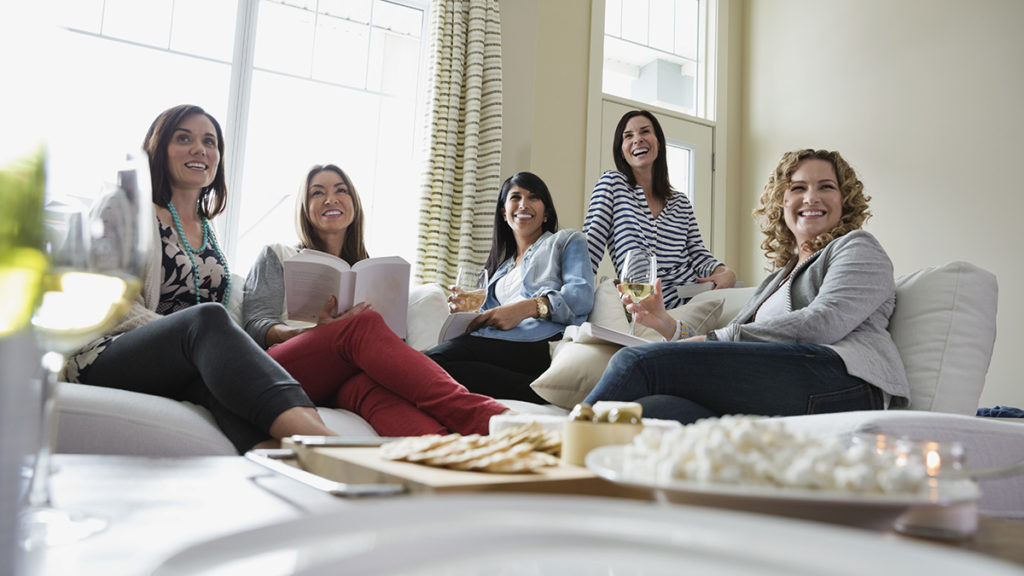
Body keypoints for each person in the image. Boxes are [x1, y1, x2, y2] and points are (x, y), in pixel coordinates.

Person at [64, 104, 336, 453]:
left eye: (210, 142)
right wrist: (181, 338)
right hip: (105, 354)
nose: (200, 149)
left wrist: (195, 347)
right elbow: (106, 299)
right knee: (207, 321)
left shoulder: (206, 229)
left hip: (180, 359)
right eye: (184, 138)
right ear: (159, 148)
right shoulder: (125, 205)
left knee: (224, 384)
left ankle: (283, 457)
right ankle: (330, 445)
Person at [584, 149, 909, 423]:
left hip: (844, 382)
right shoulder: (777, 278)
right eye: (797, 188)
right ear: (782, 203)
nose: (811, 197)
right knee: (651, 412)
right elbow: (729, 339)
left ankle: (554, 447)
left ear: (845, 200)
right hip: (781, 382)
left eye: (825, 187)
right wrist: (666, 325)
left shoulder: (857, 247)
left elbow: (823, 323)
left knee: (635, 362)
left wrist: (716, 339)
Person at [243, 164, 508, 436]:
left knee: (376, 392)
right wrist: (311, 332)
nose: (330, 199)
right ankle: (493, 418)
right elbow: (254, 324)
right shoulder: (277, 253)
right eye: (317, 193)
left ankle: (450, 457)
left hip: (343, 377)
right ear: (304, 207)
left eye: (340, 190)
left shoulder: (370, 272)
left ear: (353, 204)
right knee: (363, 323)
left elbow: (391, 345)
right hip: (286, 369)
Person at [425, 172, 595, 403]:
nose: (523, 204)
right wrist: (466, 315)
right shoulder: (500, 270)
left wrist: (528, 308)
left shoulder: (566, 240)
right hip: (500, 348)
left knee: (429, 361)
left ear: (546, 213)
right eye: (515, 197)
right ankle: (538, 394)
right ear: (504, 213)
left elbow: (581, 297)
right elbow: (491, 318)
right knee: (451, 372)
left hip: (538, 344)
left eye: (533, 197)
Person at [584, 109, 736, 309]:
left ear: (659, 142)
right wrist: (574, 302)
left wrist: (724, 270)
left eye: (645, 132)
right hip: (643, 304)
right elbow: (589, 249)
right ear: (621, 150)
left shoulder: (681, 203)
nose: (637, 139)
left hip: (691, 300)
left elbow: (697, 253)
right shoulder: (612, 184)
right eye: (628, 136)